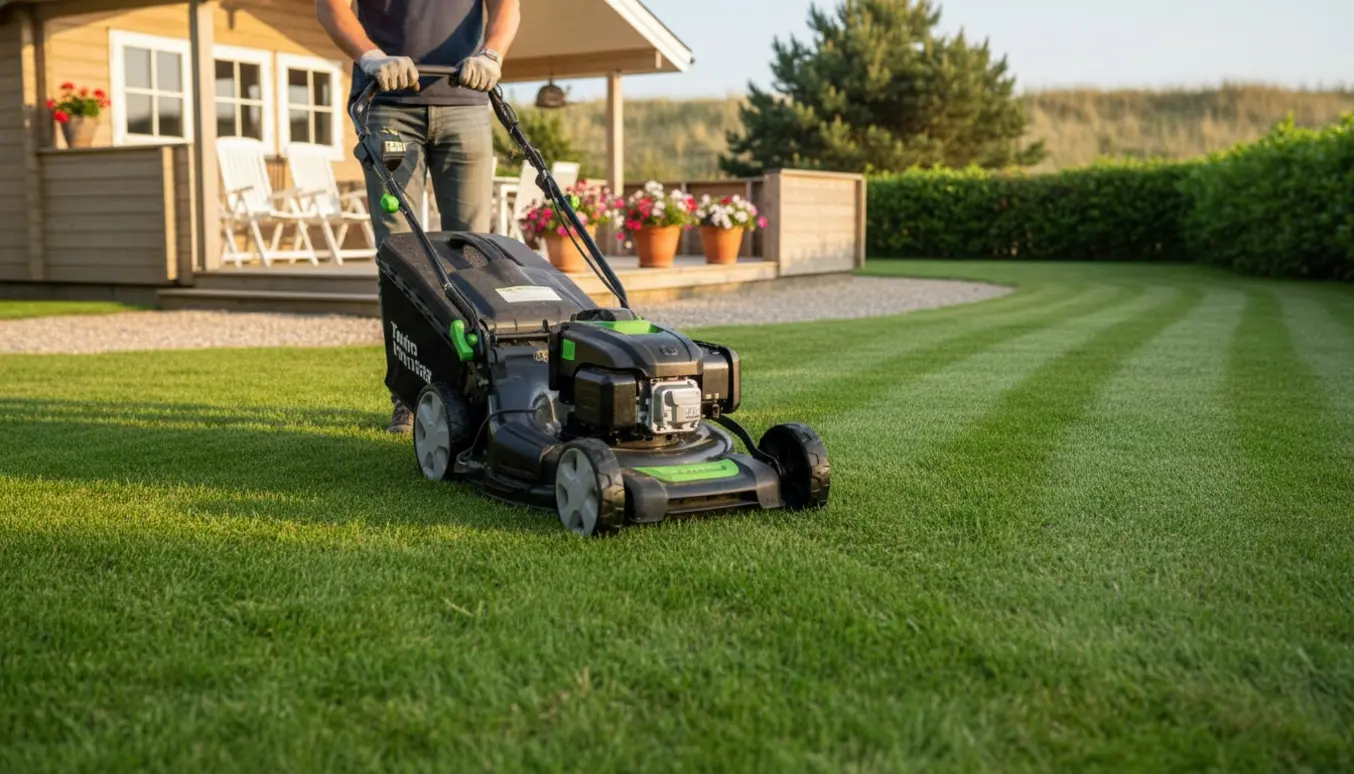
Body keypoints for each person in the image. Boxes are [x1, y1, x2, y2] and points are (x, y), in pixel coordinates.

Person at [316, 0, 521, 433]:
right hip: (387, 103)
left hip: (465, 105)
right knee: (399, 258)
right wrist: (372, 56)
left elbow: (507, 8)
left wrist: (491, 53)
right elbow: (332, 8)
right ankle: (409, 394)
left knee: (472, 257)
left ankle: (476, 392)